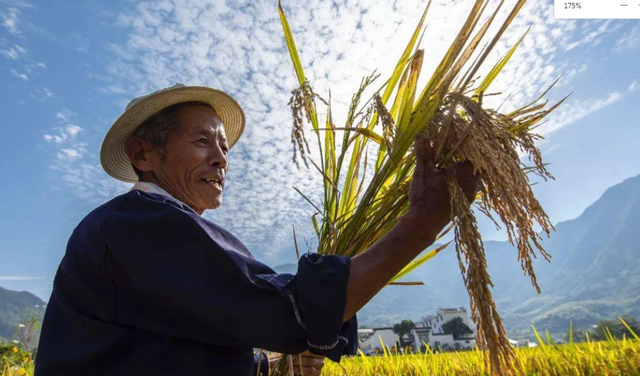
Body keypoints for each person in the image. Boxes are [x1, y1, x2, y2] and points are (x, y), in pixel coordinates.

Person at [34, 84, 480, 376]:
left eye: (224, 147)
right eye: (203, 141)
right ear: (144, 154)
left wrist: (273, 364)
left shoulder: (172, 235)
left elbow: (181, 349)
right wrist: (422, 222)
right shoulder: (136, 225)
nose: (222, 159)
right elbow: (290, 311)